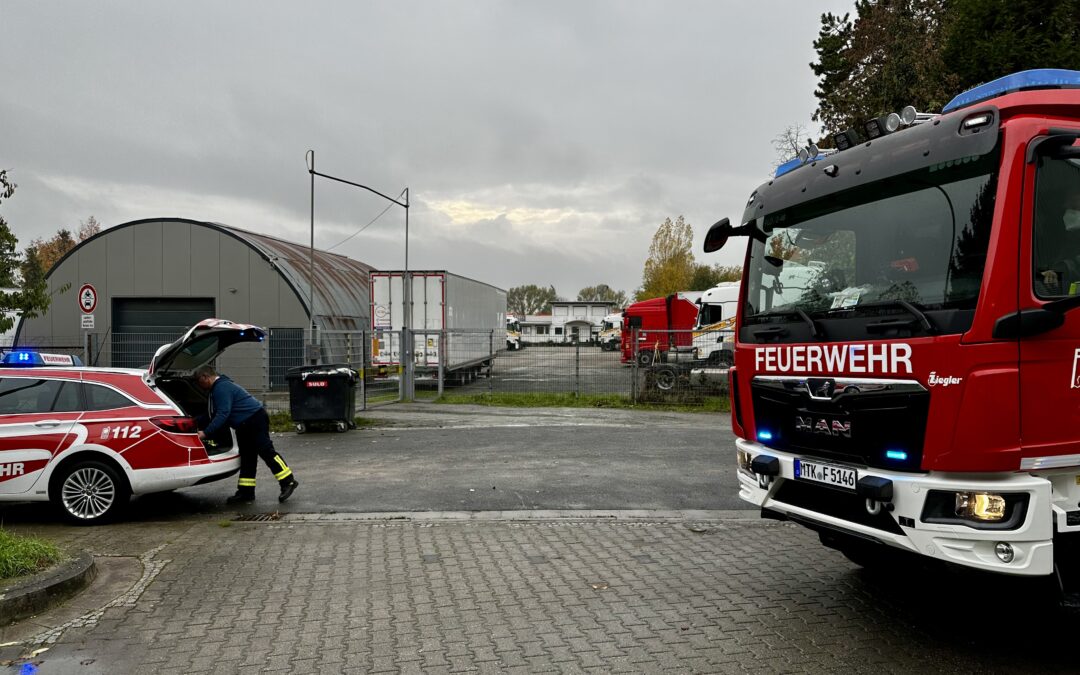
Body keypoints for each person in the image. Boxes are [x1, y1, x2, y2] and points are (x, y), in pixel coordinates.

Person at [195, 365, 299, 504]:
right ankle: (246, 492)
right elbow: (212, 414)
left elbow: (222, 414)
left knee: (266, 451)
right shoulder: (219, 388)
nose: (199, 385)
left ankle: (288, 481)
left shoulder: (221, 388)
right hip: (245, 423)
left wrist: (206, 433)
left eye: (198, 381)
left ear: (205, 377)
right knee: (248, 457)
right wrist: (193, 421)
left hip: (254, 419)